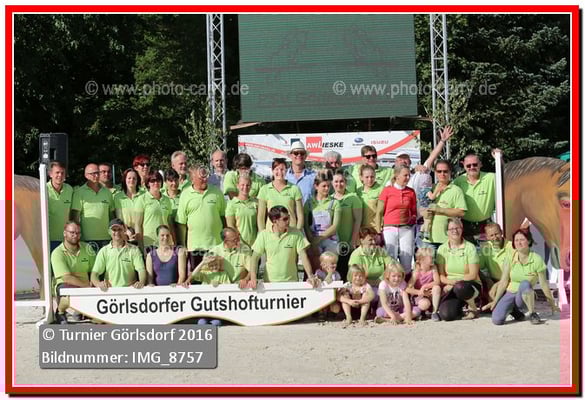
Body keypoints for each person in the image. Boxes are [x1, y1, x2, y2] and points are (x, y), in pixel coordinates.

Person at [485, 228, 560, 325]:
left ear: (528, 241)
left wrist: (552, 304)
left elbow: (544, 284)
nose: (518, 243)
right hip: (510, 292)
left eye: (522, 240)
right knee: (497, 320)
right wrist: (495, 301)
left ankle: (532, 313)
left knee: (525, 284)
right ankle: (514, 310)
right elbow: (504, 281)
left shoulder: (537, 259)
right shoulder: (510, 257)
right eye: (516, 240)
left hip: (525, 295)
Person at [250, 206, 319, 286]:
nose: (288, 221)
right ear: (275, 221)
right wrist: (253, 278)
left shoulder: (296, 233)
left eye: (288, 217)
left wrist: (310, 275)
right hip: (270, 284)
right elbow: (254, 258)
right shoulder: (264, 235)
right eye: (285, 219)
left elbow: (303, 256)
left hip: (291, 283)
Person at [176, 164, 226, 273]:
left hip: (216, 245)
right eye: (201, 177)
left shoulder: (217, 192)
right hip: (195, 247)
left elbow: (223, 218)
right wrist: (183, 246)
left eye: (205, 176)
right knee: (197, 278)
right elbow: (181, 224)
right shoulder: (185, 195)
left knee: (217, 277)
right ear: (192, 179)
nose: (205, 179)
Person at [436, 218, 481, 321]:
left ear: (462, 229)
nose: (455, 231)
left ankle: (473, 307)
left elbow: (473, 274)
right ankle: (460, 306)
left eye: (457, 228)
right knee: (447, 315)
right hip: (451, 287)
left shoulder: (470, 247)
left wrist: (455, 283)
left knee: (460, 287)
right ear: (447, 231)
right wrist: (451, 283)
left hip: (469, 285)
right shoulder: (441, 249)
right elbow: (441, 276)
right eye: (451, 229)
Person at [50, 221, 95, 324]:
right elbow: (67, 278)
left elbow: (95, 270)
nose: (75, 235)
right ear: (64, 233)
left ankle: (81, 311)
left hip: (86, 285)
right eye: (72, 232)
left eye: (78, 233)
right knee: (67, 294)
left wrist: (94, 282)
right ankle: (60, 312)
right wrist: (87, 286)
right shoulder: (57, 253)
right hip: (67, 285)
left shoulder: (87, 248)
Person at [379, 164, 417, 275]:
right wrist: (378, 229)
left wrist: (412, 220)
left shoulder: (411, 192)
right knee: (391, 259)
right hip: (389, 228)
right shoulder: (387, 190)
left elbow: (414, 211)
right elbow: (379, 212)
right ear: (397, 175)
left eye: (409, 175)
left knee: (407, 258)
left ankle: (407, 283)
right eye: (405, 175)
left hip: (406, 228)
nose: (408, 178)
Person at [453, 151, 499, 243]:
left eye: (475, 164)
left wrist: (499, 159)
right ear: (464, 166)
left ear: (480, 164)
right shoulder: (458, 181)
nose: (472, 167)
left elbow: (506, 175)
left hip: (486, 226)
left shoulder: (491, 178)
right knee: (467, 252)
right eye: (468, 165)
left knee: (487, 251)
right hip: (465, 226)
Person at [422, 160, 467, 251]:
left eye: (445, 171)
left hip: (447, 239)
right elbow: (420, 208)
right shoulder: (430, 188)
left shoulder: (456, 190)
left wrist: (441, 210)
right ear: (435, 172)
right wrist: (423, 212)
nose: (442, 174)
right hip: (428, 240)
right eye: (439, 171)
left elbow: (461, 212)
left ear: (450, 172)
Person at [90, 218, 147, 290]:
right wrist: (99, 284)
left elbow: (141, 270)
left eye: (120, 229)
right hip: (110, 291)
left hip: (130, 291)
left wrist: (141, 282)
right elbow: (94, 274)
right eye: (114, 230)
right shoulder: (104, 251)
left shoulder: (134, 249)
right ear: (109, 232)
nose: (117, 232)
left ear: (124, 231)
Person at [70, 163, 115, 250]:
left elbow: (112, 216)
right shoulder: (79, 193)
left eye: (98, 173)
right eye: (93, 173)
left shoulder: (107, 192)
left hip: (106, 239)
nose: (96, 176)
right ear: (86, 175)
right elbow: (75, 218)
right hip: (86, 240)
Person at [331, 168, 362, 279]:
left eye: (341, 181)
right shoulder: (329, 199)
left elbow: (358, 220)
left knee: (346, 273)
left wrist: (352, 241)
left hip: (347, 241)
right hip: (333, 242)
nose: (339, 184)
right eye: (336, 181)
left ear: (346, 182)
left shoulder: (353, 198)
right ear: (332, 183)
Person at [257, 158, 304, 232]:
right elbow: (260, 217)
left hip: (290, 232)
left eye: (282, 169)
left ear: (286, 171)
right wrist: (262, 234)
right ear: (272, 170)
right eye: (277, 169)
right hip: (271, 233)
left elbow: (300, 215)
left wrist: (298, 232)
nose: (279, 172)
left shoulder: (294, 188)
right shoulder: (264, 189)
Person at [304, 170, 341, 259]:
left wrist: (319, 239)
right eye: (324, 186)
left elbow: (335, 226)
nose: (327, 188)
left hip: (330, 241)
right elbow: (305, 225)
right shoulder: (309, 203)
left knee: (329, 265)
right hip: (313, 239)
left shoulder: (335, 203)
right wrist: (312, 240)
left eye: (328, 186)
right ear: (316, 186)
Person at [189, 252, 232, 327]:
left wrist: (219, 284)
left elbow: (228, 288)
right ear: (207, 266)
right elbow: (193, 275)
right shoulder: (205, 273)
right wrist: (203, 263)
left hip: (218, 307)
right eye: (211, 265)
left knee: (216, 323)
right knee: (201, 323)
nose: (214, 267)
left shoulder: (223, 274)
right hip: (205, 308)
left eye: (216, 264)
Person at [134, 170, 174, 249]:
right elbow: (138, 225)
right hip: (149, 243)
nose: (156, 183)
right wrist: (141, 246)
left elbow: (169, 223)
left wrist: (173, 242)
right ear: (148, 183)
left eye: (158, 180)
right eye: (152, 181)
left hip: (166, 243)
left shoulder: (167, 200)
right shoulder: (142, 199)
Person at [480, 223, 515, 302]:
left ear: (501, 232)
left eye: (496, 234)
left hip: (510, 282)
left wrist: (497, 284)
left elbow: (516, 272)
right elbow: (479, 267)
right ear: (487, 237)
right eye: (491, 235)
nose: (495, 238)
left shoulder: (512, 247)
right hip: (492, 281)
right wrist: (487, 279)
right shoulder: (485, 247)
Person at [406, 247, 442, 321]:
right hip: (420, 296)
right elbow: (407, 288)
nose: (433, 259)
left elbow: (437, 281)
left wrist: (425, 286)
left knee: (437, 287)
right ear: (422, 259)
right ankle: (420, 312)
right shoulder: (417, 272)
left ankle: (434, 312)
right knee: (425, 304)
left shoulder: (433, 268)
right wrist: (420, 292)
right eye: (431, 257)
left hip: (430, 294)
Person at [47, 161, 74, 252]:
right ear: (50, 174)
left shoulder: (69, 189)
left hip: (66, 239)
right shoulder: (43, 189)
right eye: (57, 172)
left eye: (62, 173)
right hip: (48, 239)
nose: (60, 175)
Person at [226, 174, 259, 247]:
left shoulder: (255, 203)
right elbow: (231, 225)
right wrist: (239, 242)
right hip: (239, 245)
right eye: (242, 185)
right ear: (237, 186)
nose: (245, 187)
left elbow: (259, 224)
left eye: (248, 185)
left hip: (255, 244)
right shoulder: (231, 204)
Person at [356, 165, 384, 240]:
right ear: (361, 177)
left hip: (376, 229)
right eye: (367, 177)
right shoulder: (358, 191)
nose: (370, 179)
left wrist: (379, 231)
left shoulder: (381, 189)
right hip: (362, 230)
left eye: (372, 177)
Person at [113, 168, 142, 240]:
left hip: (142, 233)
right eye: (129, 178)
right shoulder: (118, 197)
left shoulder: (143, 195)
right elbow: (119, 218)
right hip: (126, 233)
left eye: (134, 178)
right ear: (125, 180)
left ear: (137, 180)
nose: (131, 180)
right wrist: (127, 231)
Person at [314, 251, 342, 321]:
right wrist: (329, 274)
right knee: (320, 303)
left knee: (336, 308)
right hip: (321, 296)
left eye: (335, 263)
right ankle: (320, 313)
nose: (335, 265)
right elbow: (326, 282)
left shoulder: (336, 274)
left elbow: (338, 285)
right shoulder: (318, 272)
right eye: (332, 263)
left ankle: (331, 314)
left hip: (332, 296)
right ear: (323, 265)